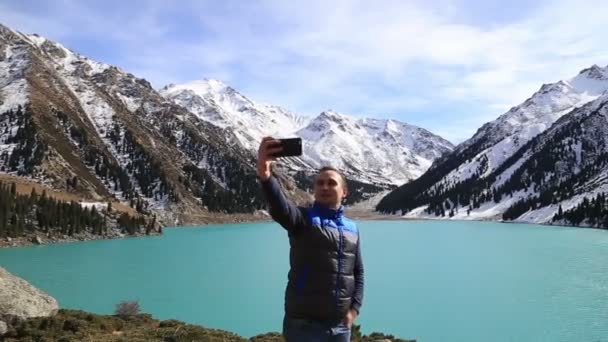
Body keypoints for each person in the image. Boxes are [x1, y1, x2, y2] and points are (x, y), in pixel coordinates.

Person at [257, 136, 364, 342]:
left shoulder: (352, 228)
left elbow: (358, 272)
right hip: (303, 326)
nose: (324, 187)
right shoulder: (303, 218)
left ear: (344, 192)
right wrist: (265, 174)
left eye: (331, 183)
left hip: (340, 327)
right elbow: (281, 209)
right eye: (319, 183)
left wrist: (354, 311)